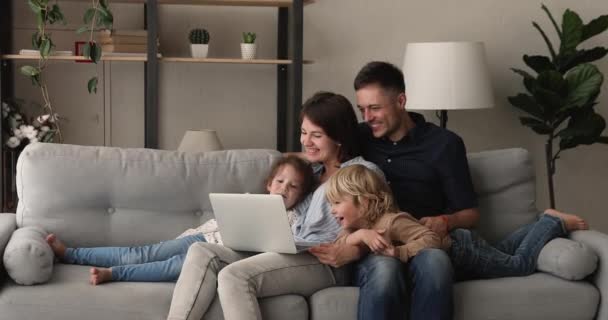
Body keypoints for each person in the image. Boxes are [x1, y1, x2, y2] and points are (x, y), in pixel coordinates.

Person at [167, 91, 385, 320]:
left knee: (234, 276)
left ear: (339, 136)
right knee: (201, 251)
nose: (306, 141)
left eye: (316, 135)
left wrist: (355, 247)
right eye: (303, 133)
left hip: (324, 261)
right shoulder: (312, 172)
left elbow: (383, 221)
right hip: (291, 249)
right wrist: (313, 151)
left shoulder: (361, 173)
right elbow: (289, 161)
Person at [305, 61, 482, 320]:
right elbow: (324, 150)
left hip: (419, 240)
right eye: (362, 109)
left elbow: (471, 213)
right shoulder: (360, 136)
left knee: (436, 263)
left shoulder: (445, 144)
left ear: (401, 101)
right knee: (385, 269)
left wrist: (446, 220)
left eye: (375, 108)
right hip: (371, 243)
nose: (367, 118)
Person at [45, 155, 315, 285]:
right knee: (144, 252)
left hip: (217, 255)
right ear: (269, 183)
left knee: (173, 267)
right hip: (201, 238)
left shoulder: (294, 219)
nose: (284, 189)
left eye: (293, 187)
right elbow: (221, 221)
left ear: (301, 195)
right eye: (280, 182)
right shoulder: (248, 200)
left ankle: (113, 274)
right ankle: (71, 254)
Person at [326, 164, 588, 281]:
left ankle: (551, 223)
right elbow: (340, 245)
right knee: (505, 250)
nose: (333, 209)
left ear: (366, 202)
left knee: (517, 265)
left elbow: (432, 239)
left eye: (338, 202)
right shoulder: (355, 227)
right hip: (463, 247)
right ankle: (540, 224)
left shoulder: (391, 221)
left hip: (461, 250)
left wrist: (399, 252)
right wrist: (356, 237)